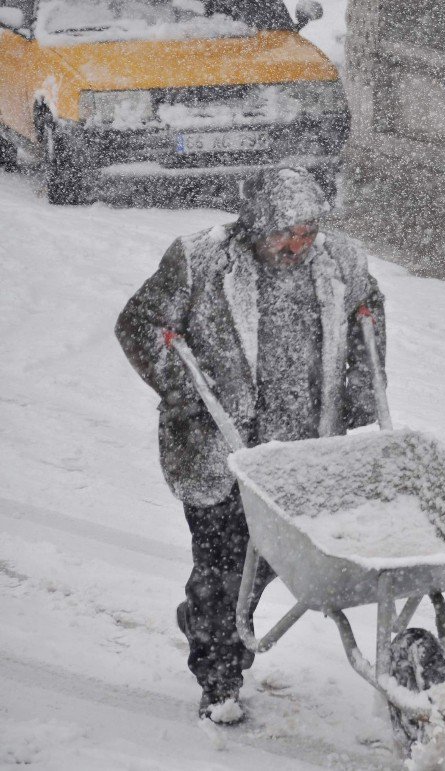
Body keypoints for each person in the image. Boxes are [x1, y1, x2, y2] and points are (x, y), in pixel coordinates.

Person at [115, 168, 386, 723]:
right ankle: (219, 680)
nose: (297, 245)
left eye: (307, 231)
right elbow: (139, 323)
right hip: (222, 451)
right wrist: (183, 392)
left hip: (299, 455)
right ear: (255, 225)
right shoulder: (200, 260)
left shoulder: (343, 263)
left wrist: (359, 392)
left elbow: (369, 316)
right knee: (223, 567)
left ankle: (206, 623)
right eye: (283, 233)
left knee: (261, 567)